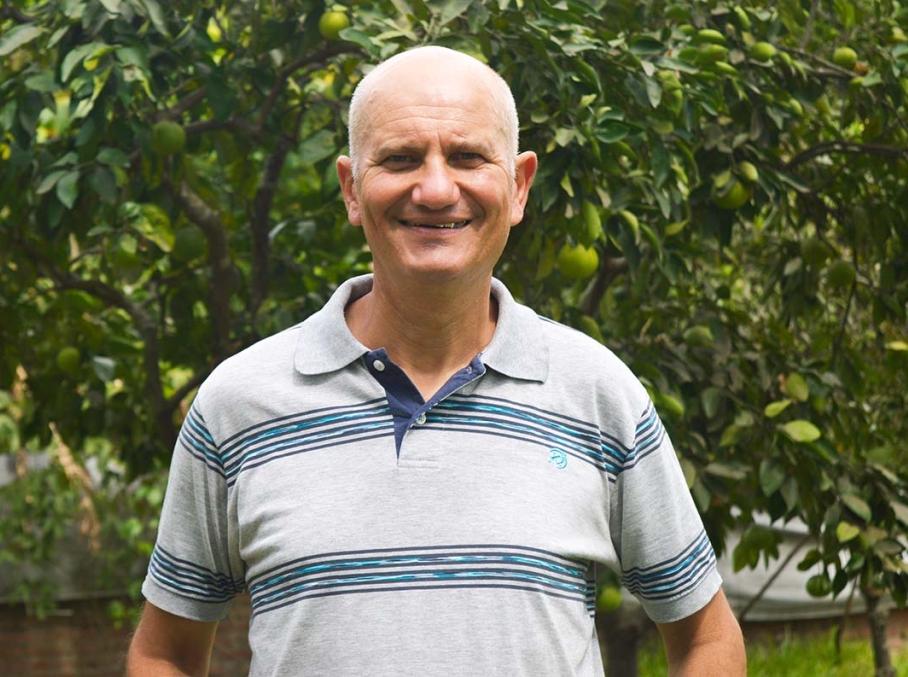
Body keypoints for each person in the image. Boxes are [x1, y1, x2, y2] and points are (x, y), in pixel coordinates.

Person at [127, 45, 746, 676]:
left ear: (518, 186)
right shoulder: (238, 404)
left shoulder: (598, 393)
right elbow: (163, 654)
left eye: (468, 157)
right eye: (399, 159)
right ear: (351, 189)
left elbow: (707, 638)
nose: (435, 190)